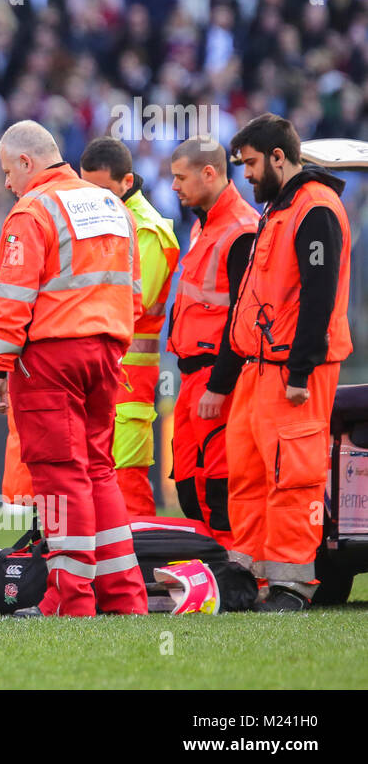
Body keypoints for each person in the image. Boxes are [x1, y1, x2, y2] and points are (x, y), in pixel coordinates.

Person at [0, 120, 146, 617]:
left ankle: (69, 600)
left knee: (59, 475)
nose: (7, 183)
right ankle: (124, 597)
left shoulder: (31, 210)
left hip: (51, 358)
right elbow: (132, 294)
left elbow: (13, 297)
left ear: (27, 163)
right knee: (99, 472)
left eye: (9, 171)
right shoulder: (111, 205)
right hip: (107, 353)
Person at [224, 114, 352, 611]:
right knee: (251, 473)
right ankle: (250, 577)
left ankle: (290, 586)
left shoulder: (314, 209)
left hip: (293, 373)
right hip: (261, 368)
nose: (247, 175)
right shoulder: (281, 209)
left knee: (293, 476)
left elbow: (319, 298)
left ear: (279, 157)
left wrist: (300, 370)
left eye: (252, 163)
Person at [79, 136, 180, 516]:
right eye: (87, 189)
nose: (95, 199)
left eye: (104, 190)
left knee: (127, 480)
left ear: (128, 181)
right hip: (103, 371)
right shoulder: (103, 221)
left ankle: (139, 569)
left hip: (129, 378)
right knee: (98, 477)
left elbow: (131, 305)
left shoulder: (147, 231)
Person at [166, 136, 258, 545]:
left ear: (209, 173)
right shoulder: (203, 224)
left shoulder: (241, 229)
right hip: (190, 377)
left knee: (218, 479)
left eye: (180, 177)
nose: (173, 186)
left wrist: (220, 384)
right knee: (188, 482)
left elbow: (242, 317)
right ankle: (213, 565)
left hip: (213, 377)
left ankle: (231, 568)